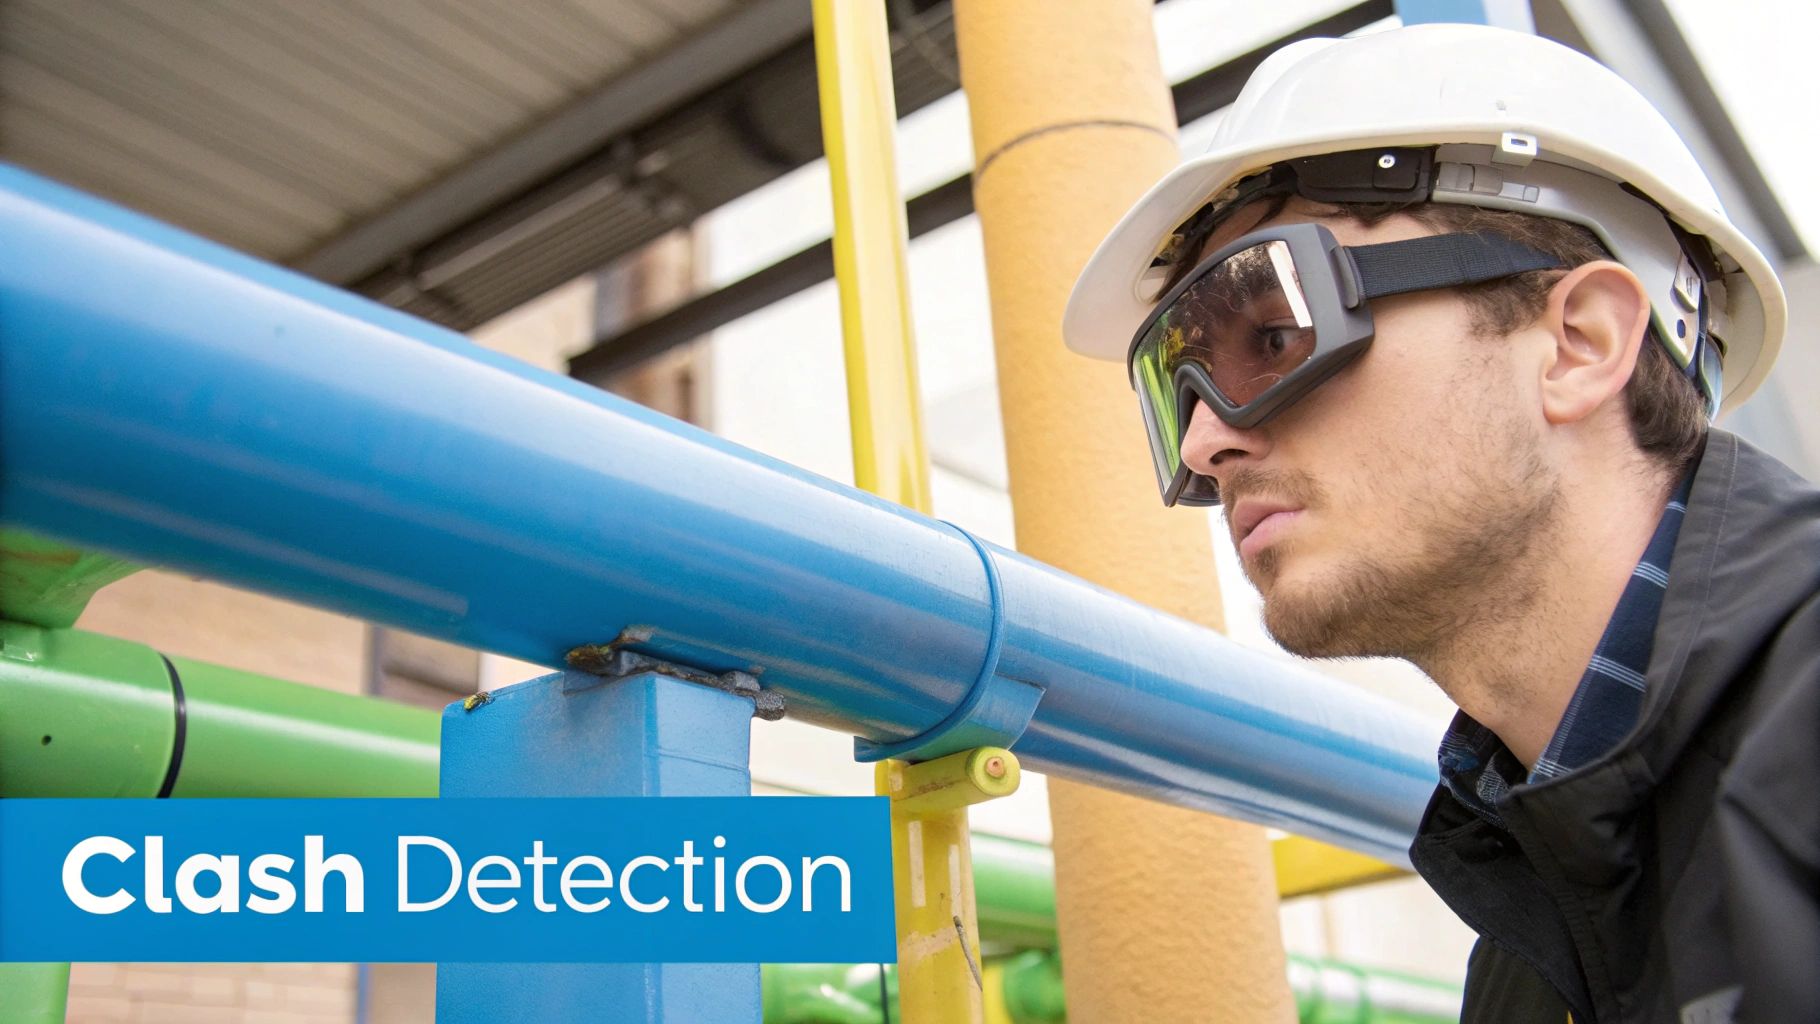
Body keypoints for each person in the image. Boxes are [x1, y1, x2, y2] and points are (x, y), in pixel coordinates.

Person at [1062, 23, 1818, 1024]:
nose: (1204, 441)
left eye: (1274, 331)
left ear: (1577, 344)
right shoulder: (1525, 944)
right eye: (1177, 387)